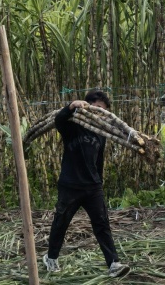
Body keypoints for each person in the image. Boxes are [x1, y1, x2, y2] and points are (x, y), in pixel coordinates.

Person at [43, 89, 130, 278]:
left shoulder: (101, 132)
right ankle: (51, 258)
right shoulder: (72, 126)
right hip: (70, 185)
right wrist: (71, 106)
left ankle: (113, 263)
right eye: (98, 108)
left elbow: (99, 160)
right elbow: (59, 121)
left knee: (102, 224)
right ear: (87, 105)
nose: (101, 113)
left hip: (92, 187)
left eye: (104, 110)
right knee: (61, 223)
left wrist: (99, 181)